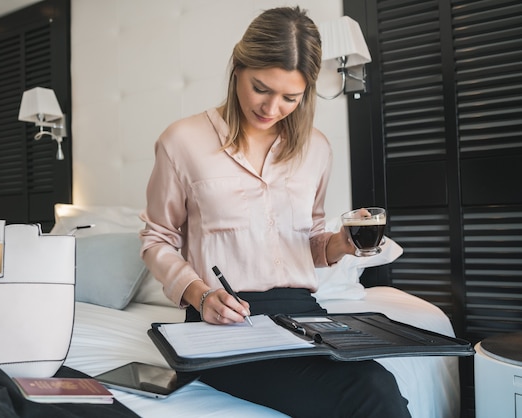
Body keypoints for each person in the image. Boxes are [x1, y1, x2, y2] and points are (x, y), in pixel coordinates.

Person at [139, 6, 410, 418]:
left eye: (291, 97)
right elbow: (156, 237)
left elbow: (312, 242)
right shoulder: (182, 142)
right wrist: (201, 293)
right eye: (261, 88)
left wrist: (338, 245)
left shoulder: (316, 148)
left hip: (303, 315)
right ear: (238, 69)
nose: (272, 107)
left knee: (378, 380)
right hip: (222, 321)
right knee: (370, 392)